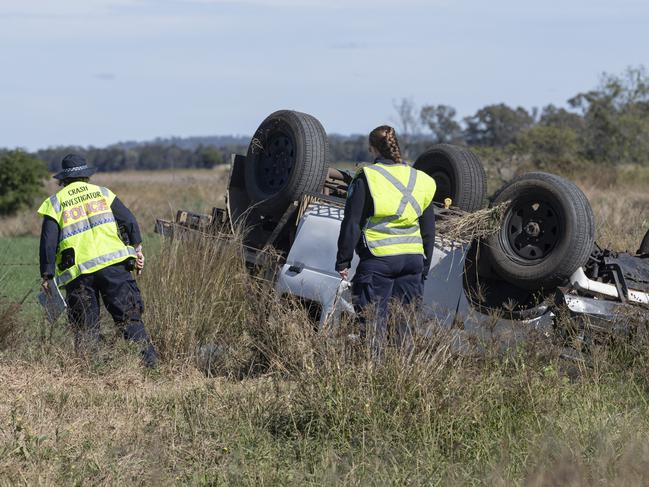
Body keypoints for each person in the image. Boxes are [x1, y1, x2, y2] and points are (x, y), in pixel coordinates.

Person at [38, 154, 157, 367]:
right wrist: (137, 249)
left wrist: (47, 275)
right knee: (130, 319)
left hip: (79, 274)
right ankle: (150, 367)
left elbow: (48, 242)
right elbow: (129, 221)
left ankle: (89, 374)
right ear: (86, 175)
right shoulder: (103, 193)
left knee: (86, 328)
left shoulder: (55, 203)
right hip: (114, 268)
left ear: (62, 179)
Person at [335, 126, 436, 355]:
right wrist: (424, 267)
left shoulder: (368, 177)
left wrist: (343, 261)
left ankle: (373, 381)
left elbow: (352, 223)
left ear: (372, 149)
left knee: (372, 328)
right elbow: (429, 230)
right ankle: (403, 383)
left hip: (378, 261)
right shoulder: (422, 180)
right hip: (413, 261)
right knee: (405, 328)